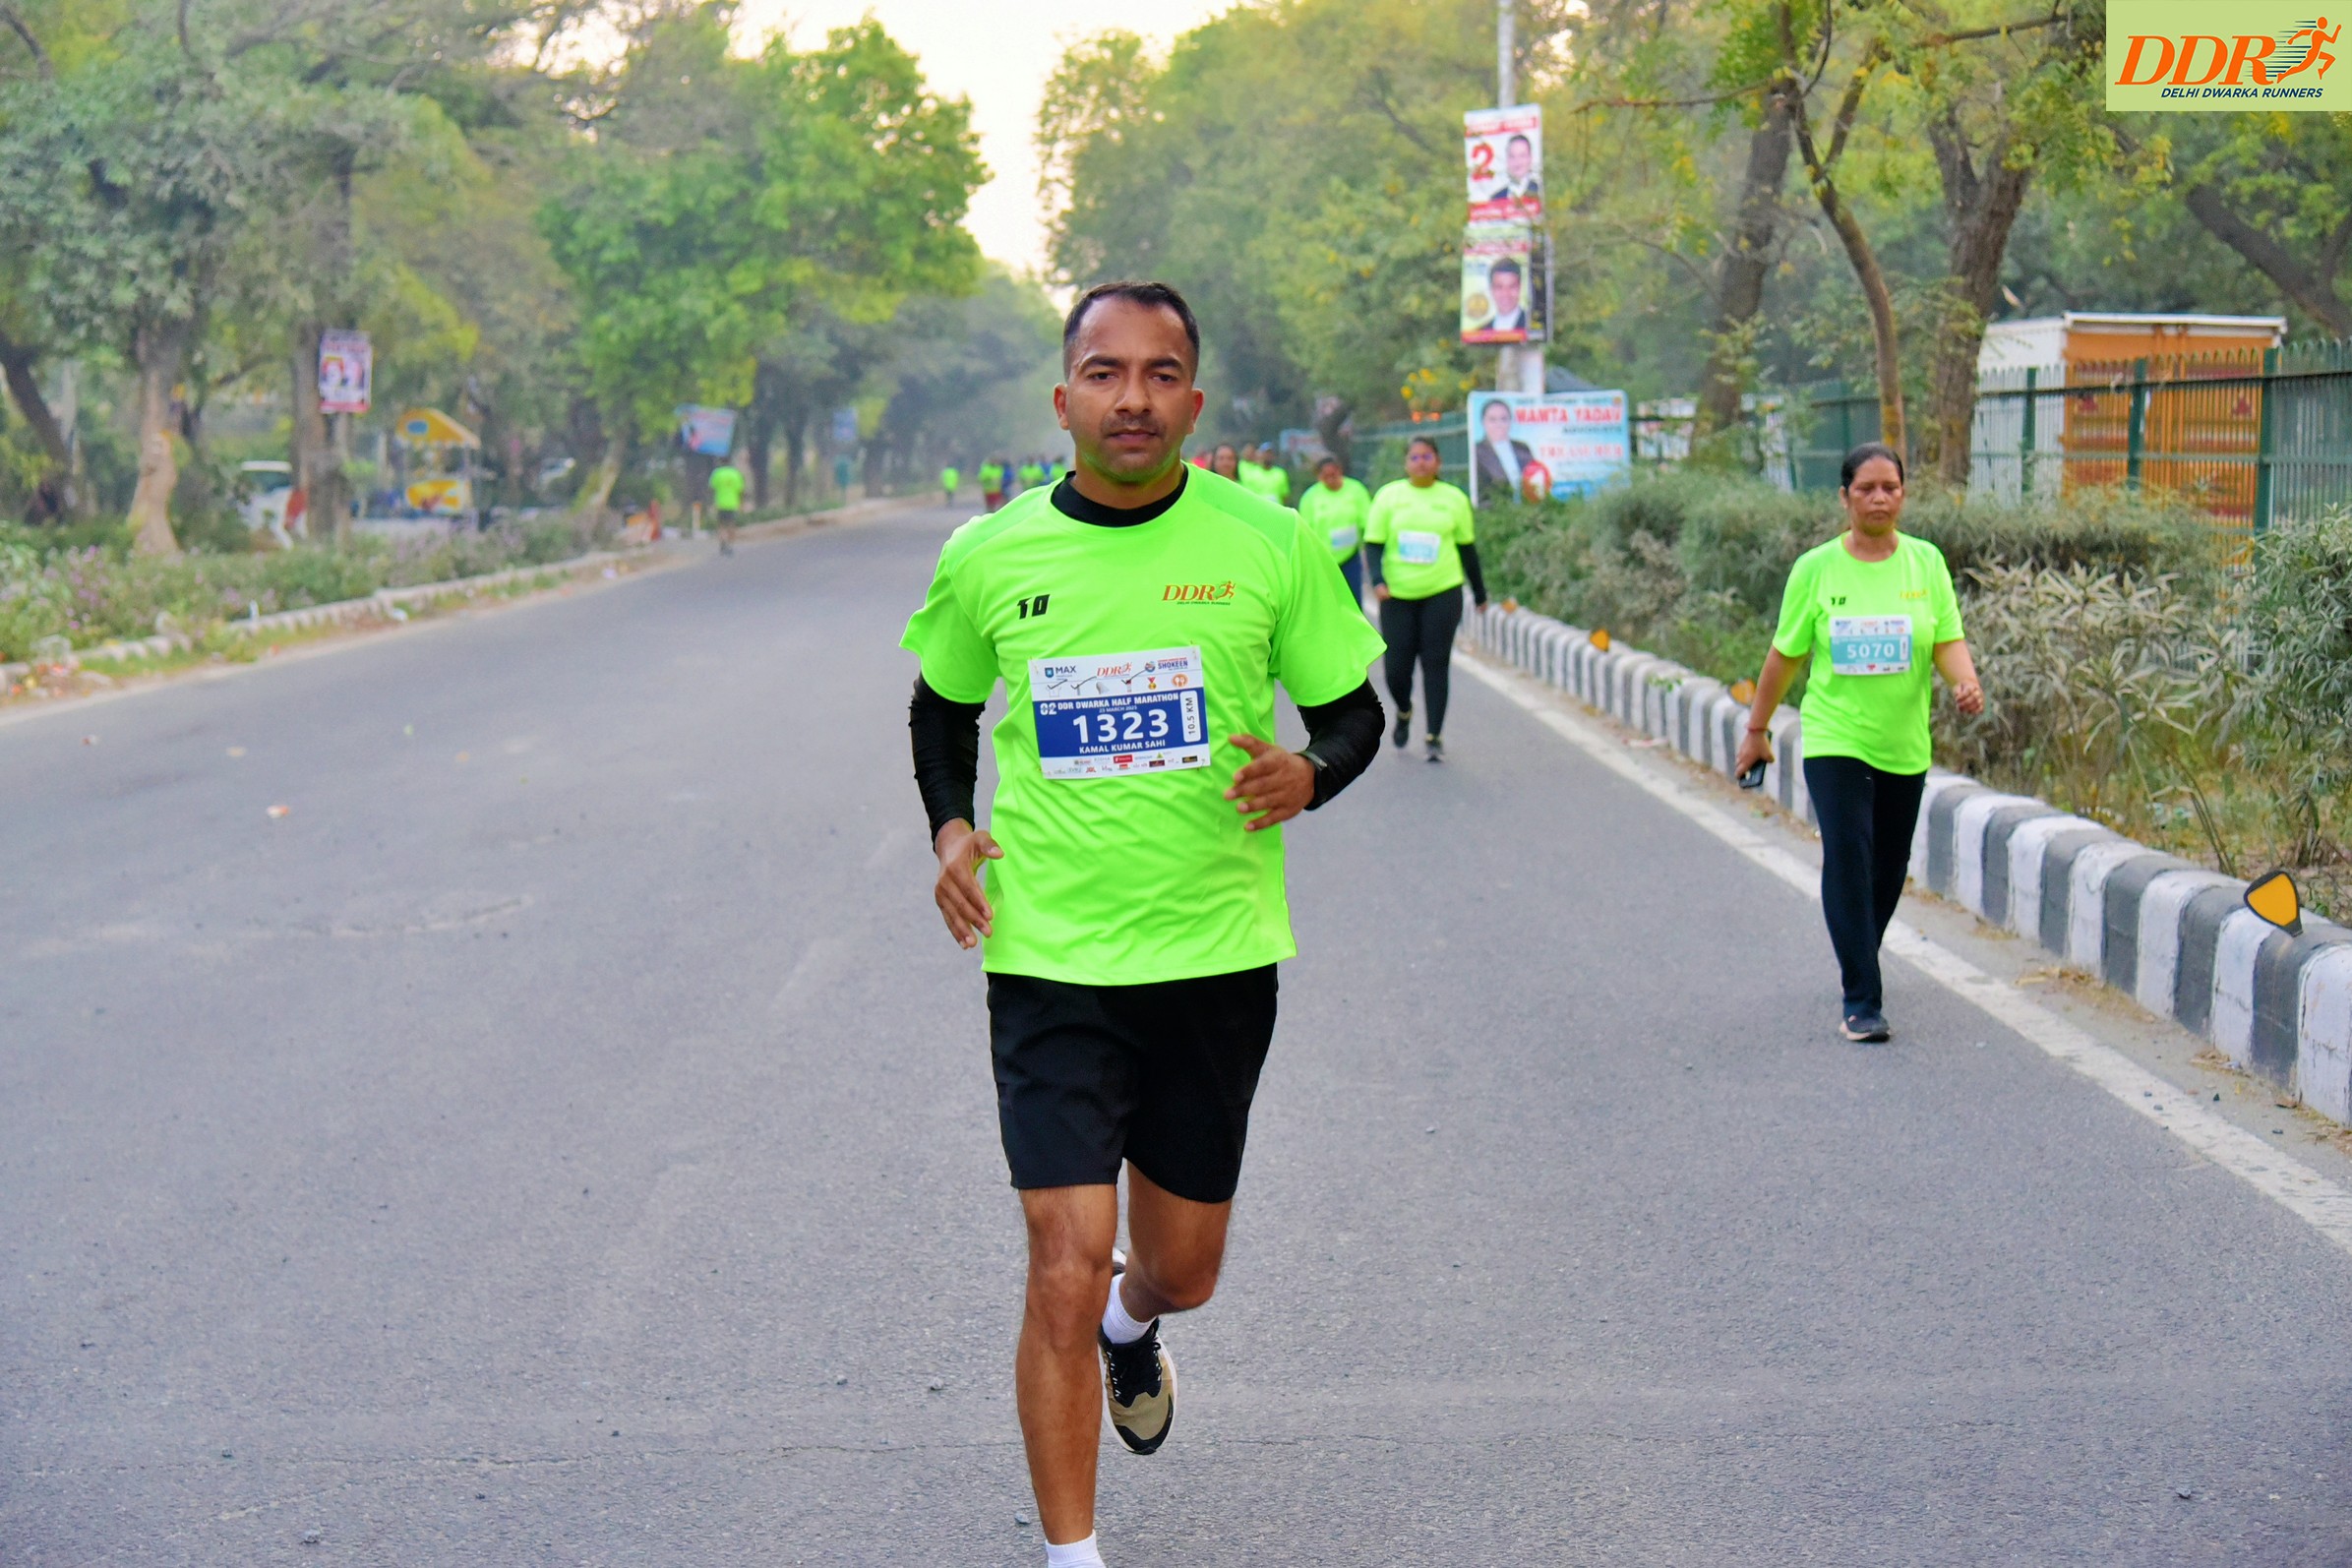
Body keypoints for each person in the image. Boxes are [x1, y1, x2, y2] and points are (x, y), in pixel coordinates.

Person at [903, 279, 1385, 1568]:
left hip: (1214, 958)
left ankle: (1138, 1321)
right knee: (1060, 1258)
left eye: (1160, 374)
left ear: (1194, 400)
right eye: (1106, 373)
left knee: (1181, 1267)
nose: (1133, 398)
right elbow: (941, 706)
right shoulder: (992, 553)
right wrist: (950, 829)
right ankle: (1073, 1553)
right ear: (1063, 397)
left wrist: (1309, 773)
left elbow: (1354, 713)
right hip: (1050, 958)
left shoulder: (1269, 542)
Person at [1733, 443, 1985, 1044]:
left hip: (1904, 742)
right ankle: (1861, 999)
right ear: (1844, 497)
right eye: (1866, 489)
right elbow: (1784, 656)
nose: (1879, 498)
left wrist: (1965, 681)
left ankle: (1857, 951)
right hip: (1835, 737)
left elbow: (1946, 638)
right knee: (1848, 854)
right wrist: (1756, 730)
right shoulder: (1816, 569)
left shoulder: (1925, 563)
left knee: (1888, 867)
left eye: (1889, 488)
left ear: (1903, 495)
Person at [1365, 435, 1486, 761]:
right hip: (1397, 595)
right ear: (1406, 463)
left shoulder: (1453, 498)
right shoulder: (1389, 496)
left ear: (1438, 462)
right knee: (1397, 669)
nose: (1421, 463)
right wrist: (1377, 580)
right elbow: (1374, 544)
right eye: (1415, 457)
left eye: (1427, 457)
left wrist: (1479, 593)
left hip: (1442, 591)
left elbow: (1467, 549)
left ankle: (1434, 735)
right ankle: (1404, 709)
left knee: (1436, 663)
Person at [1297, 454, 1371, 604]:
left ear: (1340, 471)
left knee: (1352, 600)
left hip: (1350, 557)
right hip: (1322, 559)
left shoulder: (1356, 489)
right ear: (1319, 477)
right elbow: (1304, 530)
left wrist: (1367, 552)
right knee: (1327, 601)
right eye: (1326, 476)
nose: (1331, 479)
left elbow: (1368, 522)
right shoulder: (1310, 497)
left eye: (1334, 475)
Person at [1472, 399, 1541, 504]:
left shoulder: (1522, 448)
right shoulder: (1477, 451)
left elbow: (1534, 479)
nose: (1499, 424)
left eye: (1504, 419)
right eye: (1492, 420)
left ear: (1510, 421)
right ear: (1483, 422)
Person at [708, 457, 747, 555]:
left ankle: (723, 543)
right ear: (730, 462)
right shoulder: (736, 474)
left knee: (721, 525)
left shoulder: (717, 473)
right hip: (733, 504)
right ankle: (730, 545)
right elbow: (741, 491)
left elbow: (712, 488)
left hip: (720, 504)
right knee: (731, 525)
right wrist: (742, 504)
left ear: (721, 462)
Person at [1486, 259, 1528, 334]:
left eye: (1512, 286)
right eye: (1499, 287)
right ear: (1491, 289)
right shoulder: (1481, 331)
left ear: (1520, 287)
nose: (1505, 294)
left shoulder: (1531, 324)